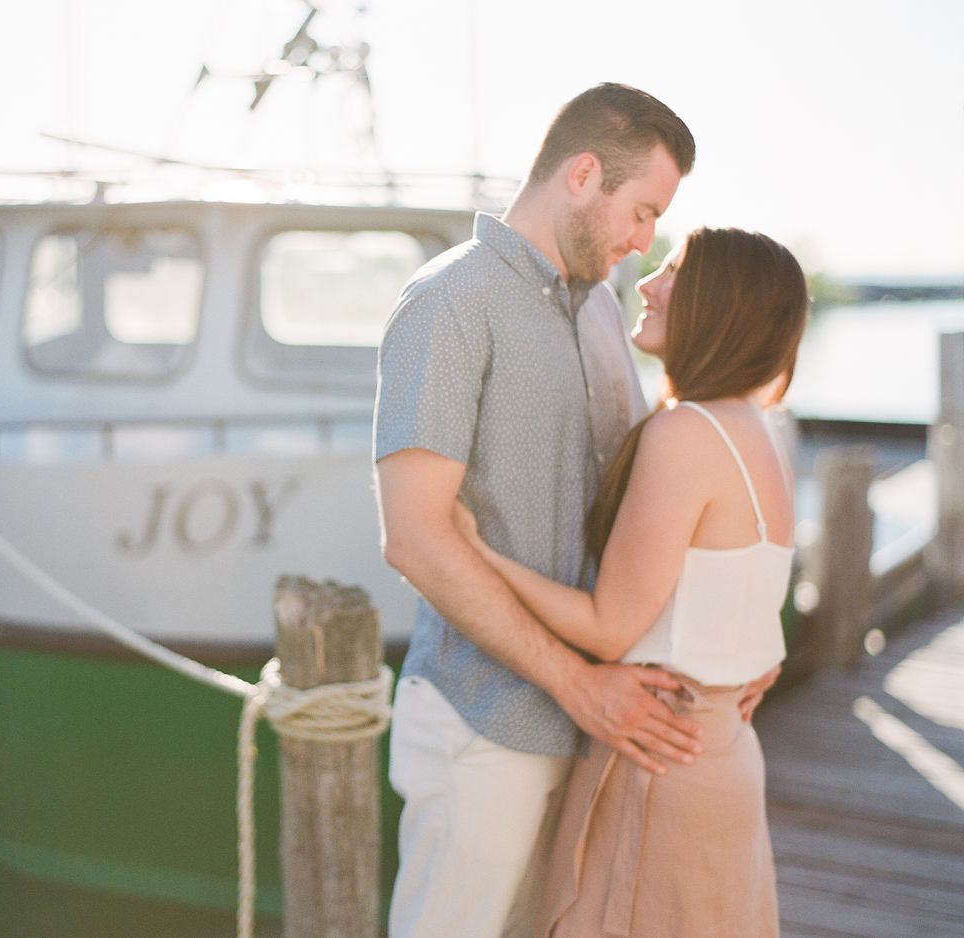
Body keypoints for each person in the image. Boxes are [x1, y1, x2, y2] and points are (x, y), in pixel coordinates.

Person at [374, 83, 777, 938]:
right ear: (583, 174)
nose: (644, 241)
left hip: (600, 733)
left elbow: (651, 526)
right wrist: (576, 683)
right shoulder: (451, 300)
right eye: (641, 213)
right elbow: (413, 536)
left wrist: (736, 642)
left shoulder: (600, 312)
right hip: (488, 726)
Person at [454, 226, 809, 936]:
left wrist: (480, 556)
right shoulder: (758, 430)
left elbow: (610, 625)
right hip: (721, 753)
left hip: (661, 760)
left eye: (674, 270)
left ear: (719, 304)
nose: (647, 284)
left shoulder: (685, 435)